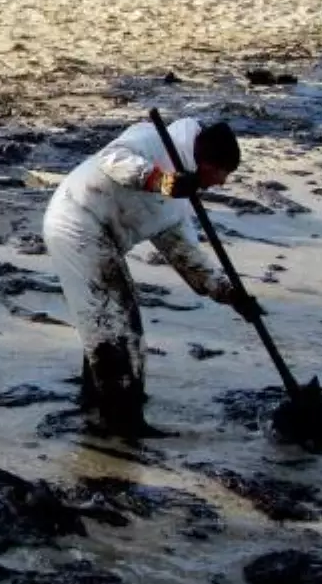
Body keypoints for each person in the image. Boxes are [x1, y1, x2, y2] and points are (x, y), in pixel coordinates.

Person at [42, 117, 262, 438]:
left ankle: (98, 405)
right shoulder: (152, 140)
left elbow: (187, 256)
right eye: (221, 175)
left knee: (124, 328)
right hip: (76, 223)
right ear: (206, 162)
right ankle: (119, 428)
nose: (221, 184)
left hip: (103, 239)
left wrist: (230, 294)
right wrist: (161, 182)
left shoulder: (179, 201)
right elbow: (112, 160)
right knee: (114, 327)